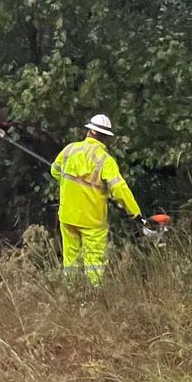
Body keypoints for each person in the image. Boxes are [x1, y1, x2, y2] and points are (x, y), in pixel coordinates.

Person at [50, 114, 143, 285]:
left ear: (89, 131)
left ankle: (71, 293)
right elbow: (120, 189)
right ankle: (95, 296)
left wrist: (70, 186)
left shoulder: (70, 150)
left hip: (68, 215)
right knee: (94, 262)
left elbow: (54, 171)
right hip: (92, 220)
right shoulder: (105, 161)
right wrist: (135, 213)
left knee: (70, 260)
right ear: (105, 136)